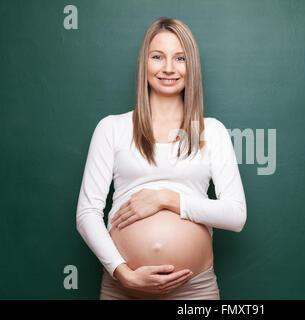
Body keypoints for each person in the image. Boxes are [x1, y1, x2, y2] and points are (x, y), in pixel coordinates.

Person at [76, 17, 247, 300]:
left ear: (191, 67)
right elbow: (87, 214)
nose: (168, 68)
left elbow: (235, 215)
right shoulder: (112, 128)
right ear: (145, 63)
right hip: (122, 289)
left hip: (195, 292)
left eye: (180, 58)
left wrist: (167, 199)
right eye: (158, 57)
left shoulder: (211, 131)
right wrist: (123, 274)